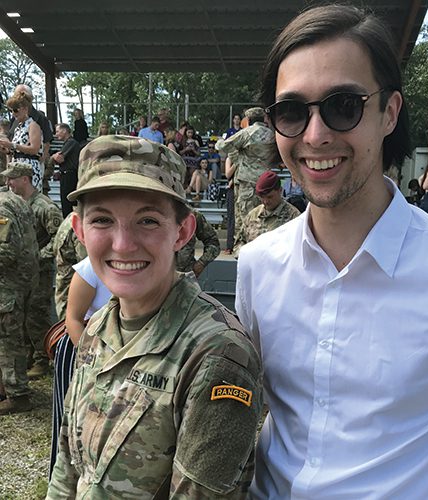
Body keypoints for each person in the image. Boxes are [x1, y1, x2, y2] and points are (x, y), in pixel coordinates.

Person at [235, 4, 428, 498]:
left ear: (389, 113)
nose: (315, 135)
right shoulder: (257, 265)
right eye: (291, 111)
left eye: (343, 106)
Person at [47, 135, 263, 498]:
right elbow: (68, 466)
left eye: (147, 220)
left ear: (183, 232)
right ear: (80, 231)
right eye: (102, 220)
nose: (123, 244)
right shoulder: (99, 325)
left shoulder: (217, 355)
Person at [49, 256, 111, 477]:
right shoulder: (91, 266)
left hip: (123, 353)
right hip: (81, 347)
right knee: (70, 422)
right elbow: (73, 319)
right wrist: (91, 362)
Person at [4, 162, 63, 378]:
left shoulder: (45, 207)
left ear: (25, 179)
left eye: (12, 178)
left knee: (38, 316)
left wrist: (39, 256)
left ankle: (43, 359)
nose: (8, 183)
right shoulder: (18, 203)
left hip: (41, 272)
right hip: (23, 274)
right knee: (23, 317)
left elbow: (60, 238)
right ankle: (30, 356)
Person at [0, 187, 39, 415]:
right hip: (22, 281)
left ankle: (17, 395)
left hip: (8, 285)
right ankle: (7, 387)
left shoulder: (3, 206)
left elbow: (6, 252)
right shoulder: (15, 200)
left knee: (8, 340)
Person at [217, 107, 280, 234]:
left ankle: (245, 251)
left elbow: (222, 147)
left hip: (248, 182)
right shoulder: (272, 136)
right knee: (265, 219)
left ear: (249, 119)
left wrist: (219, 140)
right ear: (263, 119)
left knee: (246, 220)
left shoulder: (247, 133)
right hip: (266, 181)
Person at [234, 171, 300, 255]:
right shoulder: (253, 215)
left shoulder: (293, 217)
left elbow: (299, 249)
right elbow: (239, 242)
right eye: (262, 197)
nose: (265, 201)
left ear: (280, 191)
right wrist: (245, 255)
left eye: (270, 197)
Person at [0, 91, 44, 191]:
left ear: (25, 109)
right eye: (11, 111)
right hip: (16, 166)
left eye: (15, 110)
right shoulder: (18, 127)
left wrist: (13, 145)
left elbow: (34, 149)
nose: (13, 114)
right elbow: (17, 148)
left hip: (29, 168)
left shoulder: (33, 126)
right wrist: (7, 150)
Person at [53, 212, 87, 320]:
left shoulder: (70, 219)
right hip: (76, 295)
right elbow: (88, 267)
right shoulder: (81, 225)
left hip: (66, 290)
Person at [176, 210, 221, 277]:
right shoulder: (157, 215)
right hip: (159, 277)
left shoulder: (192, 215)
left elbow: (213, 242)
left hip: (186, 277)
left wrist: (201, 263)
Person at [51, 123, 81, 217]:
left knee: (67, 204)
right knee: (65, 204)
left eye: (58, 131)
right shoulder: (67, 143)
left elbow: (60, 158)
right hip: (65, 175)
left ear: (64, 131)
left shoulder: (71, 142)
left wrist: (53, 157)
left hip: (70, 176)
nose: (56, 134)